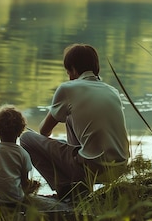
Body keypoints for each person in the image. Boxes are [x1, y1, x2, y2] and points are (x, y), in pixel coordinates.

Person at [20, 43, 130, 200]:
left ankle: (67, 189)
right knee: (70, 117)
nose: (69, 76)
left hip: (92, 167)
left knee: (26, 139)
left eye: (68, 72)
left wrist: (55, 150)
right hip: (120, 167)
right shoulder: (112, 91)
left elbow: (44, 131)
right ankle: (78, 186)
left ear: (73, 69)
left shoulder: (68, 88)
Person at [0, 105, 39, 203]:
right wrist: (32, 186)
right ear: (20, 131)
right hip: (15, 199)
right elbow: (24, 183)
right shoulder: (23, 154)